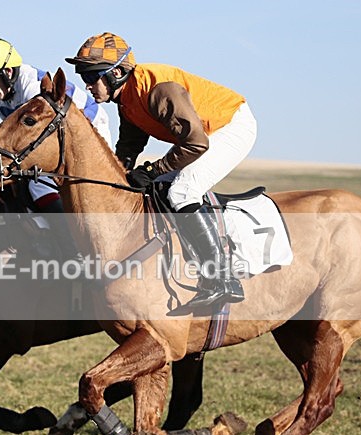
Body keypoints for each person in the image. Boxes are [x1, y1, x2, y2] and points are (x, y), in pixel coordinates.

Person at [66, 32, 257, 308]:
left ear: (117, 72)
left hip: (230, 126)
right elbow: (129, 147)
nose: (88, 87)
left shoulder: (157, 90)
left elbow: (195, 144)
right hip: (200, 137)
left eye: (91, 77)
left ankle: (222, 278)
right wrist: (117, 178)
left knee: (182, 191)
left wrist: (153, 170)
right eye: (84, 78)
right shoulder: (127, 98)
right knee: (155, 190)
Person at [0, 36, 112, 215]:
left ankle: (66, 235)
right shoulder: (3, 98)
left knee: (37, 186)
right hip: (61, 138)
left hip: (93, 128)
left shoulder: (31, 88)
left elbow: (36, 141)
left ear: (8, 72)